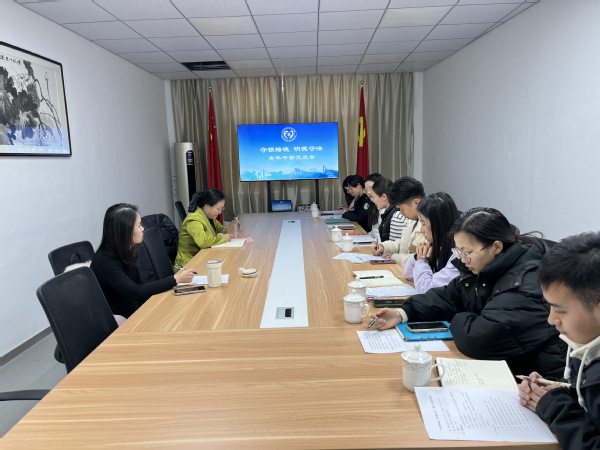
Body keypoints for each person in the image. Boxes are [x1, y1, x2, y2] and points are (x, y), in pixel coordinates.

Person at [372, 207, 567, 378]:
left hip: (536, 382)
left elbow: (478, 339)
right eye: (459, 252)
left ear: (496, 247)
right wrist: (402, 313)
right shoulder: (481, 269)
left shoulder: (525, 283)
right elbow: (448, 295)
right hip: (502, 367)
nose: (463, 260)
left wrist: (458, 315)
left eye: (467, 252)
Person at [518, 232, 600, 449]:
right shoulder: (586, 343)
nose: (551, 319)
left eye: (560, 310)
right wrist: (557, 390)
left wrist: (556, 408)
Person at [91, 203, 196, 318]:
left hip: (135, 309)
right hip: (120, 319)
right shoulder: (105, 261)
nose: (143, 228)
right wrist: (176, 279)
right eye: (139, 225)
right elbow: (135, 292)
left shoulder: (128, 249)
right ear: (125, 230)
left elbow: (140, 285)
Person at [403, 192, 461, 293]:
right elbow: (408, 274)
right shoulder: (437, 244)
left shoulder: (459, 253)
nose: (421, 230)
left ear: (439, 224)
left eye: (423, 223)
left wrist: (422, 260)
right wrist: (417, 257)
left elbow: (428, 290)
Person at [373, 176, 426, 266]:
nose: (401, 213)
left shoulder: (428, 226)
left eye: (402, 209)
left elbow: (419, 257)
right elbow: (403, 244)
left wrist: (394, 257)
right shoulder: (413, 220)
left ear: (416, 203)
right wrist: (384, 247)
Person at [175, 188, 232, 266]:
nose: (220, 212)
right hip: (189, 264)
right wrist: (222, 238)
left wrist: (223, 234)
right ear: (207, 206)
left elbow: (222, 229)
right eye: (218, 209)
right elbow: (202, 242)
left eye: (222, 209)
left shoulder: (209, 217)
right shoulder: (194, 219)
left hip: (203, 258)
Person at [365, 173, 384, 241]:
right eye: (366, 190)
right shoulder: (373, 205)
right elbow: (374, 232)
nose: (368, 193)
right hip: (374, 242)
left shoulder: (384, 208)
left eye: (371, 188)